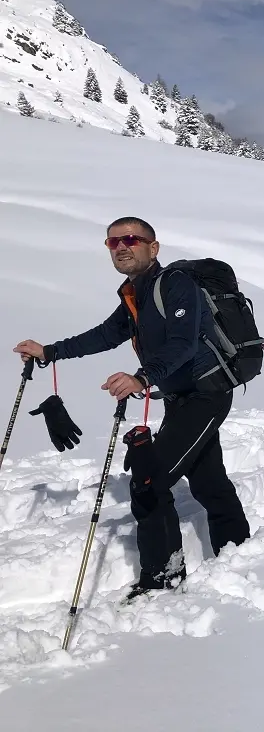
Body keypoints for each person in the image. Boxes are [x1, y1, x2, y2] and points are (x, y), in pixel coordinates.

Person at [12, 216, 250, 601]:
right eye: (112, 243)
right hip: (180, 398)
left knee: (149, 481)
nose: (121, 247)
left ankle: (163, 579)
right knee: (208, 480)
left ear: (152, 248)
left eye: (130, 239)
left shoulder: (176, 285)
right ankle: (239, 548)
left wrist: (142, 378)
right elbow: (106, 334)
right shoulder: (134, 293)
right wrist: (51, 352)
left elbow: (183, 343)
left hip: (206, 394)